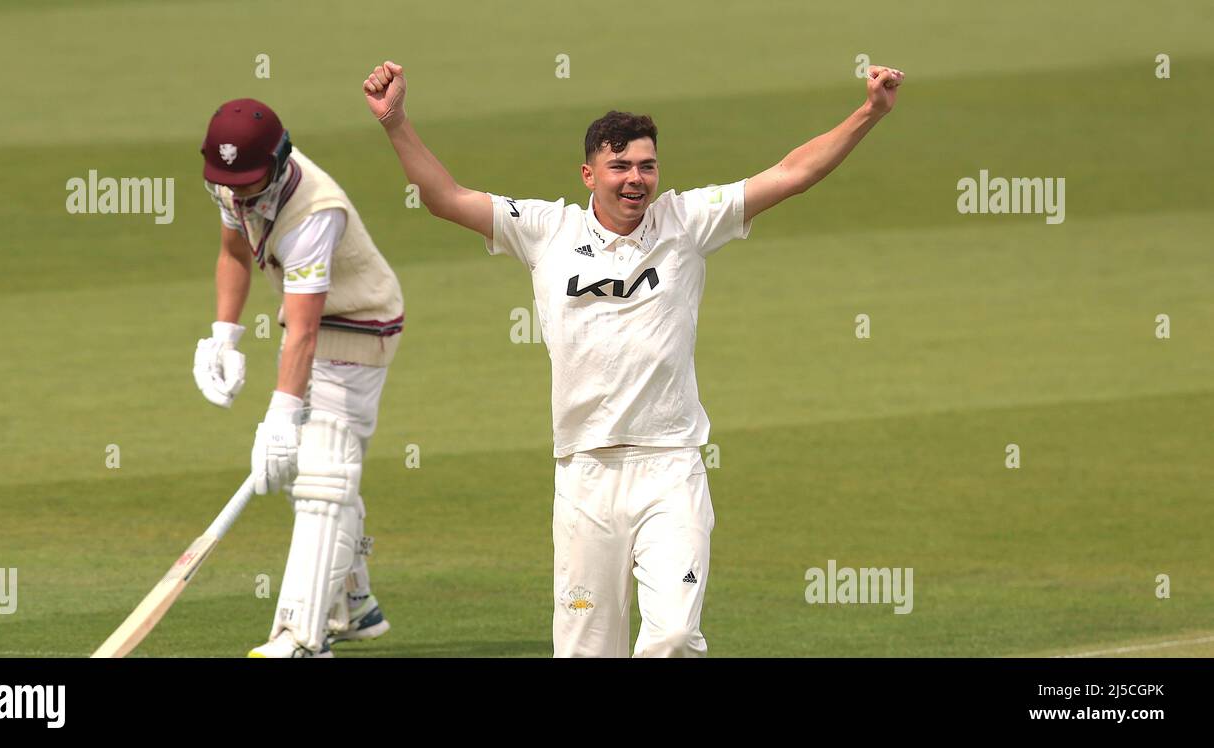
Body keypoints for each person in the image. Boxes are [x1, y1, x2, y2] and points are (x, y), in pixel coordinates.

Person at [362, 61, 904, 657]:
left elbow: (793, 173)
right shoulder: (546, 231)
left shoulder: (686, 221)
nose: (635, 179)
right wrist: (396, 122)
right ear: (589, 173)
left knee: (671, 635)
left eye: (647, 166)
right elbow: (445, 198)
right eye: (620, 166)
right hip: (584, 473)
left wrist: (869, 113)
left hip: (670, 467)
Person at [194, 98, 404, 657]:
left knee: (322, 474)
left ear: (281, 159)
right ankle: (354, 604)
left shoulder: (315, 211)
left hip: (360, 325)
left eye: (248, 183)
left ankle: (300, 639)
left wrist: (281, 416)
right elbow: (234, 252)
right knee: (302, 472)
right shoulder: (232, 181)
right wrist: (224, 333)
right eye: (228, 183)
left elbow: (306, 331)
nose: (239, 195)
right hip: (308, 320)